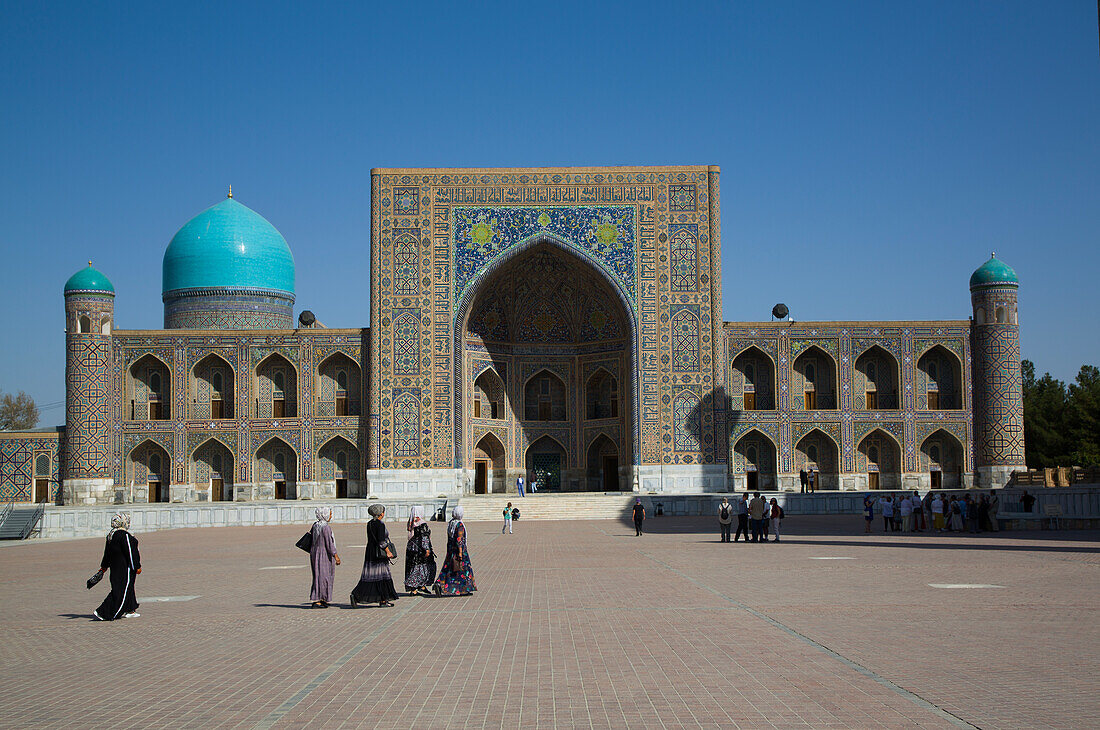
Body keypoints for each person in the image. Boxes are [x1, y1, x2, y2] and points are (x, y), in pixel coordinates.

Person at [93, 512, 141, 620]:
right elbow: (130, 552)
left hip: (115, 568)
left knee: (127, 588)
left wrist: (104, 566)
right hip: (125, 568)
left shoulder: (111, 535)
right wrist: (136, 566)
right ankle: (104, 612)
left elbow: (107, 553)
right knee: (121, 590)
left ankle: (130, 609)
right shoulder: (124, 536)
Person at [351, 503, 398, 608]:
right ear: (381, 513)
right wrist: (388, 551)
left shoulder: (370, 523)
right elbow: (381, 541)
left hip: (371, 552)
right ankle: (383, 600)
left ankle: (358, 595)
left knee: (369, 576)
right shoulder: (380, 524)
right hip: (379, 553)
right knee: (382, 575)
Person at [433, 506, 476, 596]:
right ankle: (463, 589)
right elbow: (459, 539)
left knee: (448, 568)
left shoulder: (451, 523)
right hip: (459, 551)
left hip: (451, 550)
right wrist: (460, 552)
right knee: (462, 570)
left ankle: (439, 583)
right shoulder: (459, 525)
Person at [309, 507, 340, 608]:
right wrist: (336, 556)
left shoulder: (315, 525)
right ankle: (318, 600)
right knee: (324, 577)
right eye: (330, 514)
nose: (331, 516)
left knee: (319, 576)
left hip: (315, 553)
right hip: (324, 554)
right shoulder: (326, 527)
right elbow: (329, 544)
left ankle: (322, 598)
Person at [404, 506, 436, 596]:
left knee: (413, 567)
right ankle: (414, 588)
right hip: (420, 550)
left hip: (411, 549)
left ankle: (421, 586)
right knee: (421, 568)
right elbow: (424, 537)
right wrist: (427, 549)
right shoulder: (422, 523)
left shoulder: (411, 522)